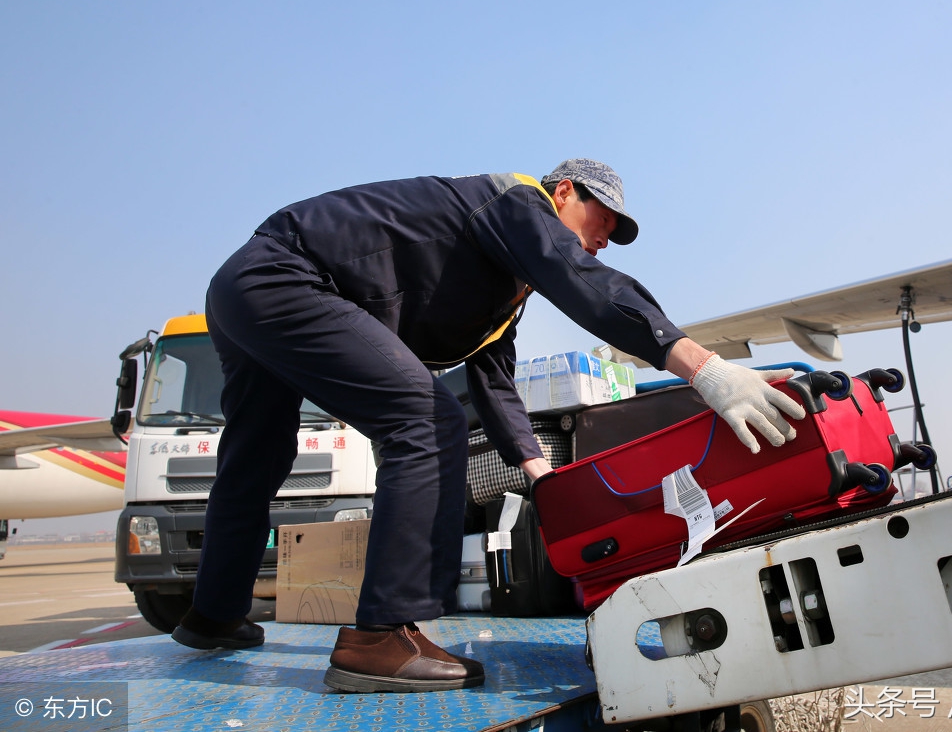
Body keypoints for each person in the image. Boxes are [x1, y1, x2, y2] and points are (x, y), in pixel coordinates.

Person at [172, 158, 805, 693]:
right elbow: (584, 281)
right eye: (600, 221)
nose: (602, 240)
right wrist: (704, 368)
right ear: (563, 194)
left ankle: (214, 614)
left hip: (242, 290)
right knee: (425, 419)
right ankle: (379, 637)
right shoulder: (516, 203)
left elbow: (496, 384)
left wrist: (542, 476)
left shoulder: (502, 291)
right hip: (286, 276)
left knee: (257, 454)